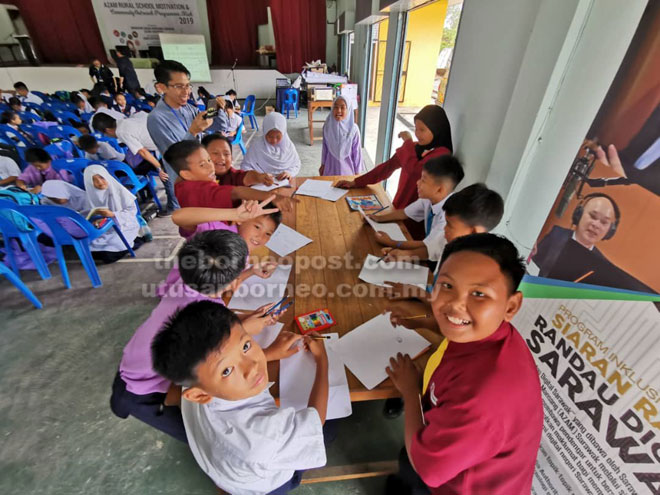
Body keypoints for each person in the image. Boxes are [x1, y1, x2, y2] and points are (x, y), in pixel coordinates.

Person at [385, 233, 542, 495]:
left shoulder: (484, 399)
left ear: (511, 306)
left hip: (457, 487)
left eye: (479, 293)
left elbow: (427, 469)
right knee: (406, 469)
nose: (456, 304)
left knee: (412, 470)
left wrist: (410, 392)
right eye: (446, 286)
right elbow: (460, 330)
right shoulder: (490, 334)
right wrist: (424, 321)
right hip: (448, 455)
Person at [111, 228, 287, 442]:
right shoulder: (195, 315)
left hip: (138, 359)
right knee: (200, 437)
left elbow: (211, 317)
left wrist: (248, 315)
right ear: (233, 284)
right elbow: (211, 356)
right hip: (142, 389)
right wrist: (248, 331)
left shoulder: (191, 282)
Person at [151, 300, 328, 494]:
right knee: (331, 430)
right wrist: (322, 361)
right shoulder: (263, 439)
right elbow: (316, 421)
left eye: (245, 346)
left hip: (224, 472)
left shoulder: (195, 378)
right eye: (226, 370)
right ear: (200, 395)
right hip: (265, 487)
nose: (252, 366)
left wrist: (269, 353)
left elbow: (221, 362)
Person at [336, 105, 452, 238]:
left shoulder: (443, 154)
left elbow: (415, 170)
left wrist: (408, 142)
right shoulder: (416, 148)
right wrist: (356, 182)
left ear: (437, 130)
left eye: (422, 130)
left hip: (416, 220)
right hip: (398, 210)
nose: (417, 134)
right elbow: (387, 167)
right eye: (415, 128)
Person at [146, 60, 214, 214]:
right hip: (184, 179)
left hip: (202, 172)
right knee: (198, 221)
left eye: (188, 86)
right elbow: (177, 156)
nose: (186, 92)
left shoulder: (188, 108)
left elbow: (215, 126)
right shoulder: (156, 118)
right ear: (161, 87)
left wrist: (217, 110)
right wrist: (193, 131)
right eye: (178, 86)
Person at [163, 140, 296, 214]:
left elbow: (243, 176)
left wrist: (260, 177)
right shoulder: (197, 189)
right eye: (203, 164)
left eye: (209, 160)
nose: (211, 166)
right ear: (186, 174)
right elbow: (236, 191)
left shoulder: (188, 179)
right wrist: (271, 197)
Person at [371, 155, 464, 262]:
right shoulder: (429, 199)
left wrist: (391, 242)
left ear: (439, 190)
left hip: (440, 261)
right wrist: (378, 218)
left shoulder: (448, 217)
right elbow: (404, 213)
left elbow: (427, 246)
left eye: (423, 180)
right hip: (428, 252)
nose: (417, 182)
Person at [531, 193, 620, 277]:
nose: (596, 225)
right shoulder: (556, 235)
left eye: (604, 222)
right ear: (579, 214)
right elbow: (532, 265)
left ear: (610, 231)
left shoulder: (602, 265)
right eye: (593, 216)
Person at [83, 165, 140, 262]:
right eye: (94, 180)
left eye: (101, 177)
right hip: (104, 228)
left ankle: (137, 241)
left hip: (124, 225)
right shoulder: (90, 194)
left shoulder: (118, 190)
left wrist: (113, 214)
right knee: (89, 248)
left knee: (112, 249)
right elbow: (88, 214)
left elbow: (132, 211)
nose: (100, 183)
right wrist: (95, 221)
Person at [241, 112, 301, 178]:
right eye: (270, 136)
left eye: (278, 137)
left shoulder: (289, 146)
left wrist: (289, 173)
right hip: (260, 184)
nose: (274, 140)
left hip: (284, 182)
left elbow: (296, 165)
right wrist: (258, 176)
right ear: (265, 132)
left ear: (284, 133)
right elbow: (245, 166)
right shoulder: (256, 146)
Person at [202, 134, 274, 187]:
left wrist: (260, 177)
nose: (222, 158)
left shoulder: (233, 176)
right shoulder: (195, 178)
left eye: (226, 154)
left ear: (232, 158)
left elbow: (248, 177)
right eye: (215, 153)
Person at [320, 96, 362, 176]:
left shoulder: (353, 129)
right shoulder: (327, 127)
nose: (338, 111)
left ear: (348, 110)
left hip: (348, 170)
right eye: (335, 107)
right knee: (329, 186)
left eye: (342, 107)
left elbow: (357, 152)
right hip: (330, 168)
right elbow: (325, 148)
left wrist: (357, 172)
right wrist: (323, 164)